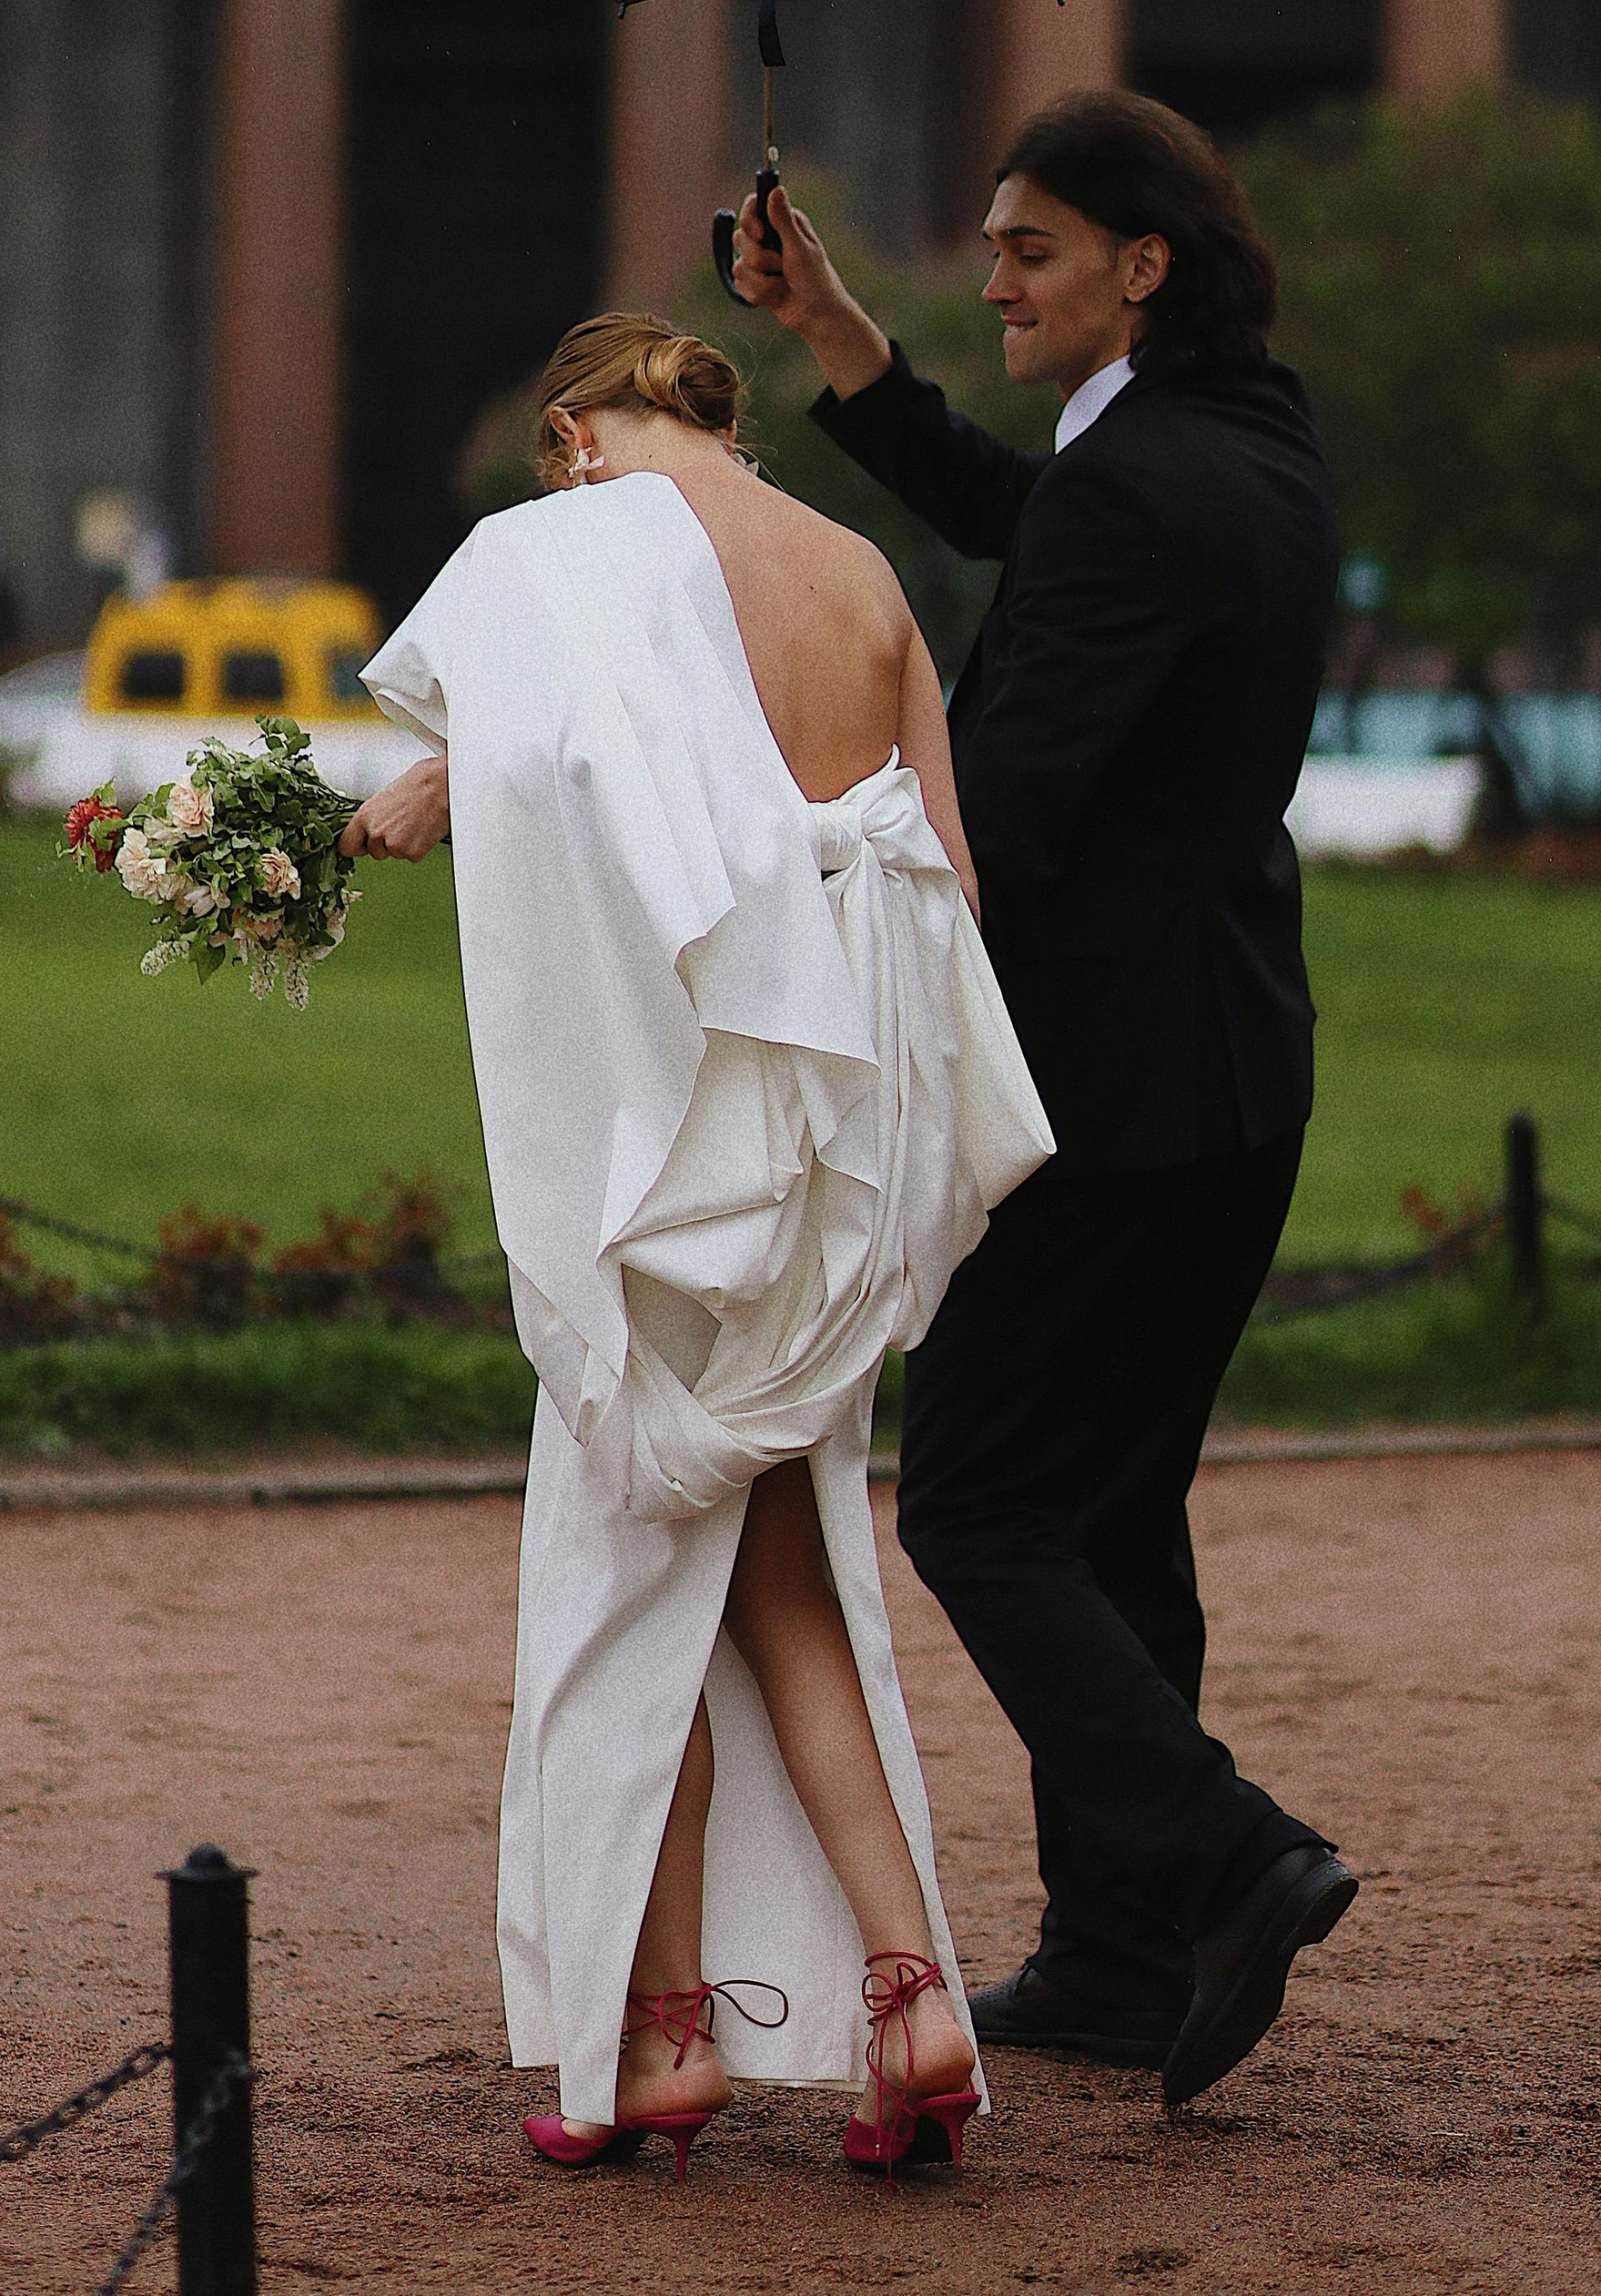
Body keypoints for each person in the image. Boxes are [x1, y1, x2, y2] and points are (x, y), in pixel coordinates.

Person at [339, 314, 1054, 2180]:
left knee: (611, 1590)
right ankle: (906, 1998)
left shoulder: (580, 553)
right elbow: (947, 889)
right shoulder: (862, 570)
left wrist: (419, 792)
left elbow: (600, 824)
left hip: (680, 1158)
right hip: (839, 1154)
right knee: (776, 1584)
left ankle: (655, 2046)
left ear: (578, 432)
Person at [730, 88, 1355, 2113]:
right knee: (1108, 1508)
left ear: (1134, 266)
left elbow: (1013, 812)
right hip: (1236, 1067)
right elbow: (1037, 519)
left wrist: (783, 879)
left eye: (1026, 249)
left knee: (986, 1503)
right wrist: (843, 347)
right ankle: (1107, 1955)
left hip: (1104, 1089)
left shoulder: (1139, 486)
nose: (988, 273)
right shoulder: (1239, 440)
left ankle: (1222, 1857)